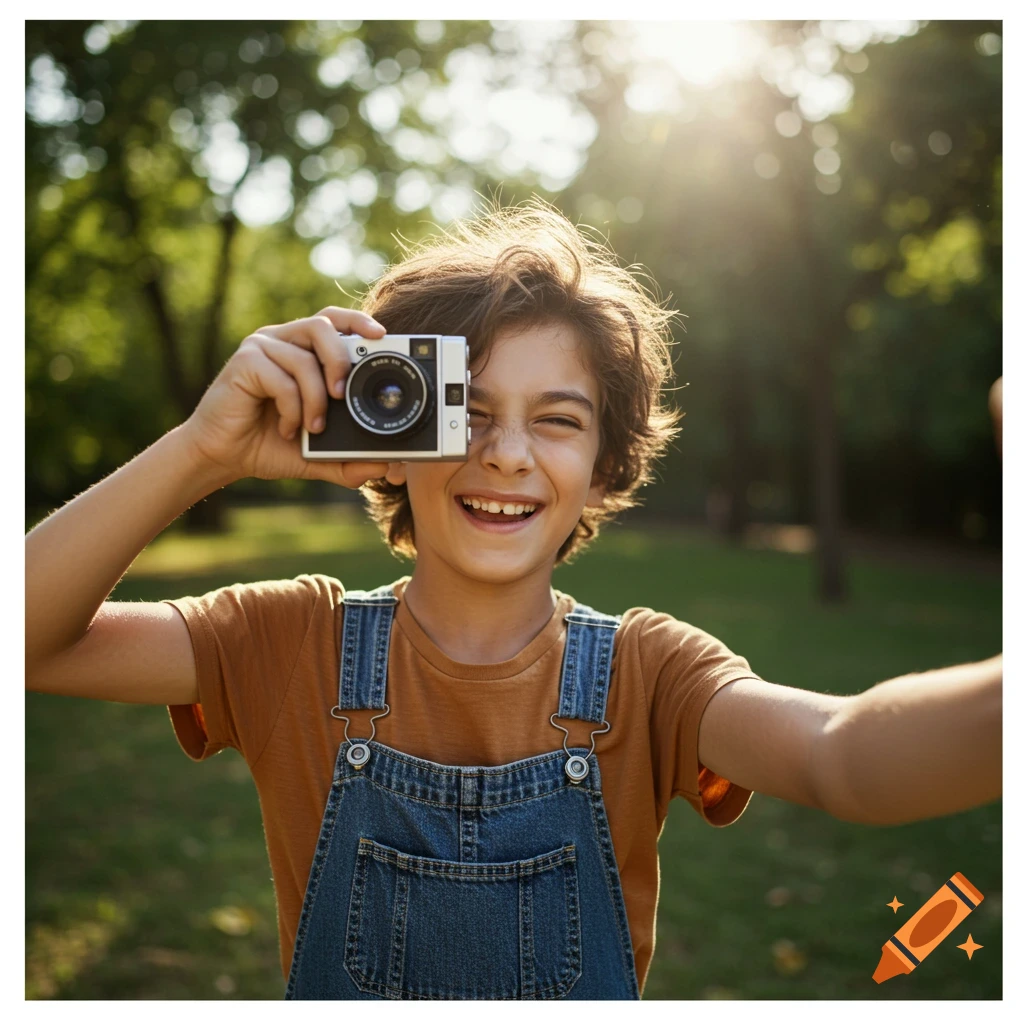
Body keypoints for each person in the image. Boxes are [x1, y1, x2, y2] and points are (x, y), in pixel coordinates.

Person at [25, 200, 1002, 1000]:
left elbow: (845, 757)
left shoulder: (649, 672)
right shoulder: (288, 639)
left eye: (557, 420)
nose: (506, 452)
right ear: (382, 420)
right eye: (466, 409)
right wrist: (204, 450)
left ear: (604, 464)